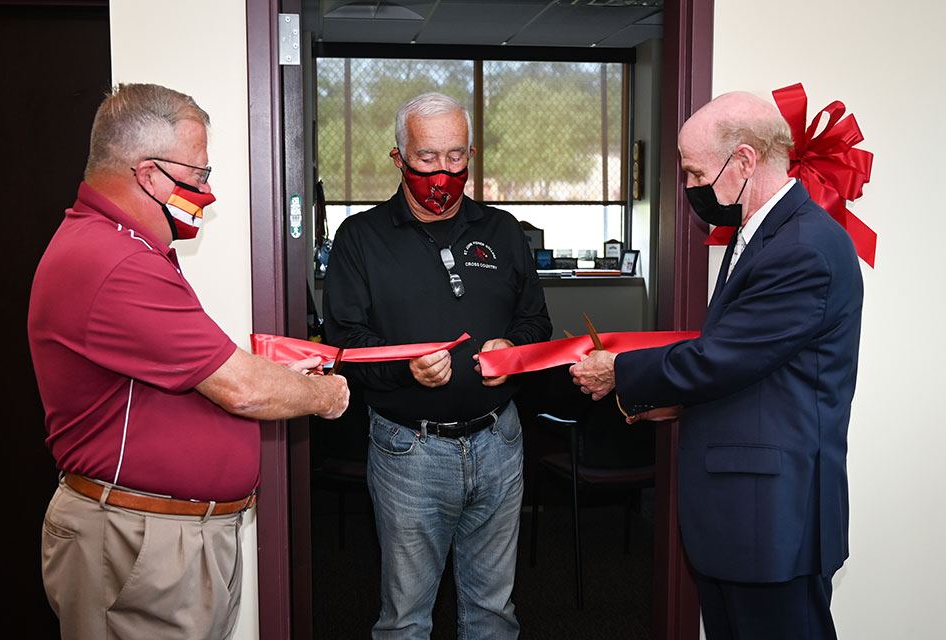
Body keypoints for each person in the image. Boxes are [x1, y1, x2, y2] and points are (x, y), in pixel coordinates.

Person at [27, 83, 349, 640]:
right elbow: (242, 389)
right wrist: (327, 396)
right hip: (139, 545)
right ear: (150, 175)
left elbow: (199, 373)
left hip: (162, 541)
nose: (208, 194)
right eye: (199, 177)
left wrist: (269, 375)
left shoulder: (124, 248)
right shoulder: (115, 262)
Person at [571, 91, 864, 639]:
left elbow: (722, 358)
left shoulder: (802, 246)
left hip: (772, 516)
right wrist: (670, 403)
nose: (688, 189)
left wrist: (622, 372)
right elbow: (759, 368)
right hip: (743, 513)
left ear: (746, 161)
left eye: (694, 172)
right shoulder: (761, 235)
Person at [322, 91, 551, 639]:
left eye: (456, 158)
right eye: (427, 159)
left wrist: (511, 350)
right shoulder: (360, 237)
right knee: (405, 618)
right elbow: (344, 346)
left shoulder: (502, 230)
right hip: (409, 453)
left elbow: (536, 324)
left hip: (500, 444)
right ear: (400, 158)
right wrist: (407, 370)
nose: (443, 173)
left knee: (494, 612)